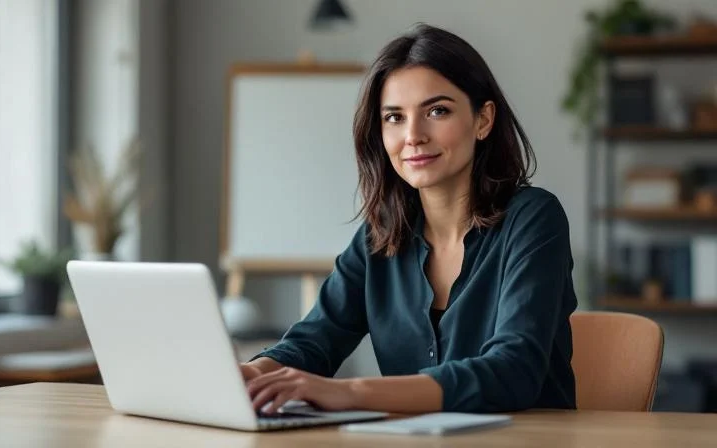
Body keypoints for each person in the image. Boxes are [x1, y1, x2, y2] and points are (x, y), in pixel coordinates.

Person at [240, 23, 578, 415]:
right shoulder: (379, 236)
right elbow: (313, 341)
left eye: (437, 111)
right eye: (394, 117)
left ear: (483, 120)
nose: (413, 135)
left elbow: (513, 371)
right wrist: (250, 374)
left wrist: (352, 392)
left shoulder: (534, 219)